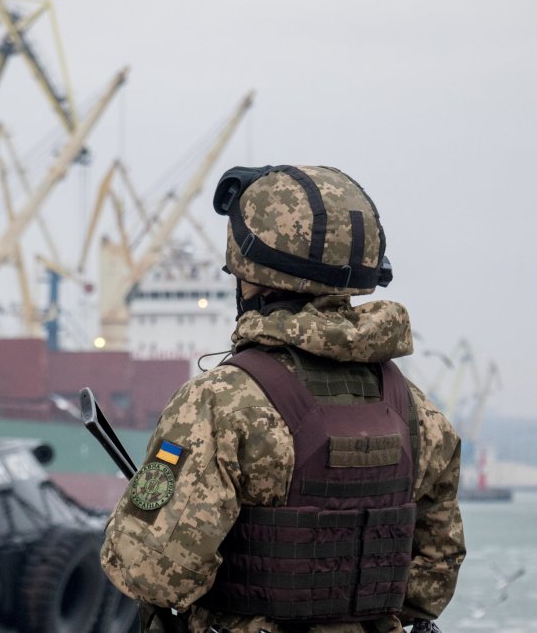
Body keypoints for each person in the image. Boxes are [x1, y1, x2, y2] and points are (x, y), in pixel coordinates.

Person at [100, 165, 465, 633]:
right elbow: (432, 583)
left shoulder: (219, 403)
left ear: (251, 277)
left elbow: (150, 572)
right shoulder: (418, 413)